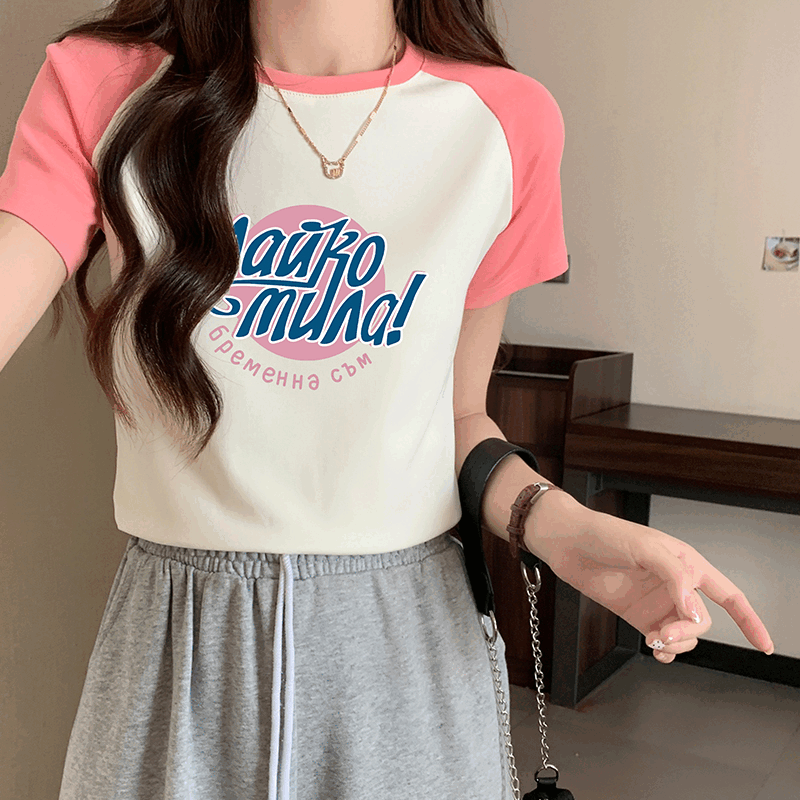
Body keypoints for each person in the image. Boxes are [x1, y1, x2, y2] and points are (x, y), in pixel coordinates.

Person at [0, 0, 774, 797]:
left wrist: (559, 528)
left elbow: (459, 417)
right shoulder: (107, 84)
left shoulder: (504, 123)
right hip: (179, 642)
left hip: (405, 646)